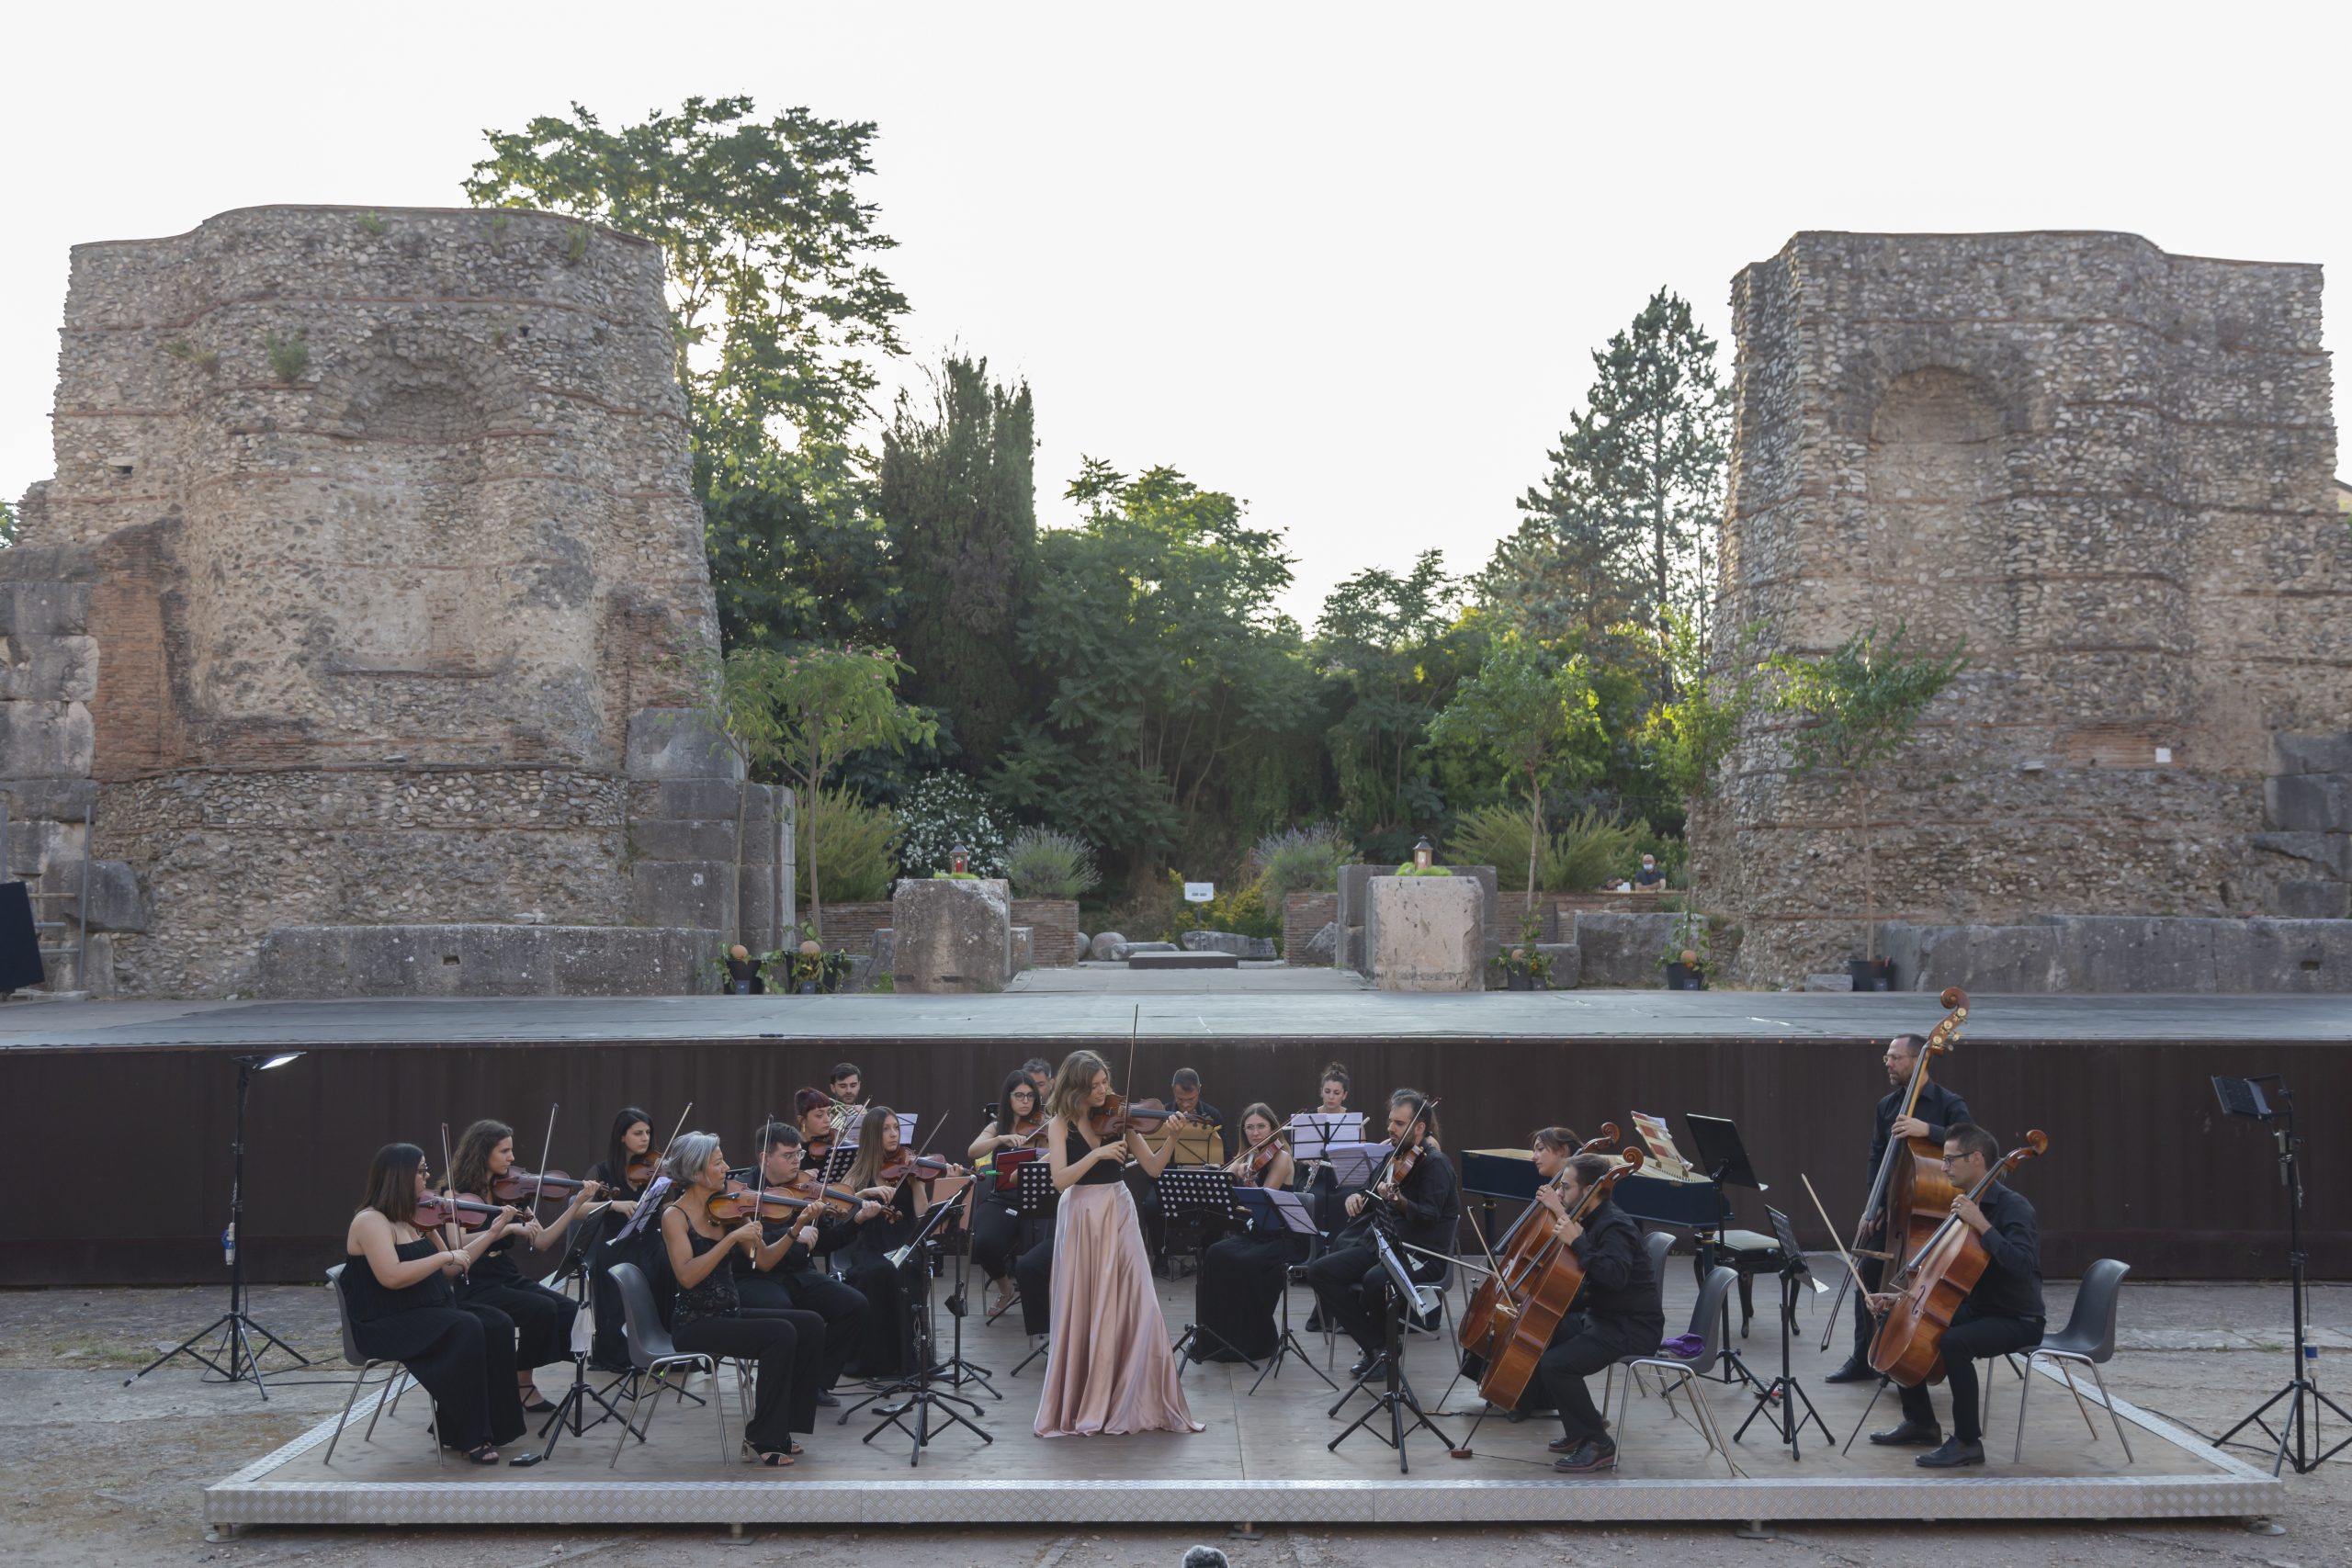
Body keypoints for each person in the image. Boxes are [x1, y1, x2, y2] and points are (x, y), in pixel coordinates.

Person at [1034, 1048, 1203, 1437]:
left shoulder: (1120, 1117)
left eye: (1104, 1083)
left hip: (1118, 1208)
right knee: (1087, 1305)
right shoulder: (1060, 1124)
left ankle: (1137, 1394)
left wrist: (1172, 1137)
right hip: (1080, 1215)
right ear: (1075, 1088)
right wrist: (1098, 1154)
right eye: (1093, 1087)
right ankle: (1089, 1398)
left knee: (1139, 1301)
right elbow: (1060, 1180)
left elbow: (1154, 1167)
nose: (1102, 1091)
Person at [340, 1143, 538, 1465]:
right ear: (399, 1176)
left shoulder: (416, 1216)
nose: (428, 1176)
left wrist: (494, 1231)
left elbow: (451, 1267)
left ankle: (496, 1426)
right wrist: (444, 1254)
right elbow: (391, 1276)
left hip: (425, 1309)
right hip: (385, 1321)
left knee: (497, 1322)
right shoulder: (371, 1221)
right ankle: (467, 1434)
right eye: (421, 1170)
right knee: (467, 1327)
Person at [1868, 1123, 2045, 1468]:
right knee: (1899, 1321)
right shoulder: (1964, 1204)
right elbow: (1943, 1275)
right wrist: (1899, 1300)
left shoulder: (2013, 1209)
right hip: (1979, 1308)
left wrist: (1982, 1225)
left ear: (1976, 1159)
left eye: (1950, 1160)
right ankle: (1920, 1422)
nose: (1944, 1167)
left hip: (2017, 1318)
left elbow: (2022, 1266)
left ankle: (1967, 1442)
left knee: (1955, 1343)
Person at [660, 1133, 827, 1465]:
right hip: (695, 1322)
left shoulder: (731, 1206)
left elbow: (763, 1261)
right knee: (780, 1333)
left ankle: (783, 1426)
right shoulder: (673, 1216)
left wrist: (796, 1228)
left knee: (811, 1324)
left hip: (728, 1311)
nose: (727, 1168)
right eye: (718, 1162)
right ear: (695, 1171)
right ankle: (762, 1435)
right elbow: (687, 1275)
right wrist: (732, 1238)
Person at [1827, 1032, 1973, 1382]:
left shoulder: (1949, 1103)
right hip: (1892, 1212)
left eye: (1895, 1058)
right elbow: (1876, 1157)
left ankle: (1907, 1354)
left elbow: (1971, 1141)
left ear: (1919, 1060)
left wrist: (1929, 1130)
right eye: (1887, 1059)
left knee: (1913, 1285)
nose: (1888, 1064)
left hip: (1932, 1216)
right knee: (1867, 1273)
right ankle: (1864, 1358)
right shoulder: (1887, 1106)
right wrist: (1873, 1206)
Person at [447, 1119, 603, 1413]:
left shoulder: (512, 1192)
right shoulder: (456, 1195)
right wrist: (504, 1229)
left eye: (511, 1151)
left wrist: (576, 1205)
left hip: (505, 1274)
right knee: (539, 1309)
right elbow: (457, 1244)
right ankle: (522, 1384)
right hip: (474, 1282)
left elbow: (542, 1240)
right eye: (504, 1151)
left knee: (567, 1309)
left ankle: (521, 1380)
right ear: (482, 1153)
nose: (512, 1158)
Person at [1301, 1089, 1457, 1381]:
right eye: (1390, 1121)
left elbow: (1429, 1217)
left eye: (1399, 1123)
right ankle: (1378, 1346)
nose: (1390, 1128)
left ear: (1420, 1128)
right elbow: (1371, 1192)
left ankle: (1382, 1352)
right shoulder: (1393, 1156)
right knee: (1320, 1271)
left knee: (1375, 1280)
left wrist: (1399, 1202)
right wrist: (1357, 1198)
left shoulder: (1436, 1165)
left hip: (1420, 1252)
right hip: (1383, 1245)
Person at [1532, 1151, 1664, 1474]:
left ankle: (1598, 1442)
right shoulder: (1592, 1220)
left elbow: (1613, 1277)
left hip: (1631, 1327)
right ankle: (1579, 1430)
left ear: (1590, 1190)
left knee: (1556, 1366)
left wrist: (1577, 1241)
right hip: (1606, 1316)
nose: (1559, 1195)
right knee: (1545, 1334)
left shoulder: (1614, 1225)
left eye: (1566, 1188)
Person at [732, 1120, 876, 1405]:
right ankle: (781, 1387)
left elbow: (824, 1242)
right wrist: (792, 1234)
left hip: (798, 1274)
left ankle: (815, 1383)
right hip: (755, 1277)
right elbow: (744, 1246)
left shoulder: (805, 1190)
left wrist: (857, 1221)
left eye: (799, 1153)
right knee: (786, 1312)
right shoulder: (743, 1192)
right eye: (788, 1155)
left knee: (854, 1305)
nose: (797, 1162)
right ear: (765, 1158)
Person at [836, 1105, 942, 1380]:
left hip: (905, 1243)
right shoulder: (858, 1172)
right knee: (877, 1272)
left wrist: (918, 1183)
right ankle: (878, 1360)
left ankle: (908, 1358)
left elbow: (921, 1216)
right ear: (873, 1134)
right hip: (870, 1245)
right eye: (886, 1129)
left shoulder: (910, 1167)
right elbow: (840, 1209)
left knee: (903, 1270)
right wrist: (864, 1193)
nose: (894, 1134)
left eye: (896, 1127)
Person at [1189, 1104, 1299, 1362]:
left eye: (1261, 1126)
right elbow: (1220, 1188)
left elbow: (1261, 1201)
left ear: (1272, 1128)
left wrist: (1246, 1180)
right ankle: (1218, 1339)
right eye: (1250, 1127)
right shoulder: (1248, 1155)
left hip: (1281, 1234)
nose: (1256, 1133)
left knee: (1242, 1262)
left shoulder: (1281, 1158)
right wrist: (1231, 1171)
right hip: (1255, 1235)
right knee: (1215, 1253)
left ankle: (1254, 1340)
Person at [970, 1071, 1049, 1312]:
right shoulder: (997, 1127)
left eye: (1030, 1096)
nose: (1026, 1101)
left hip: (1037, 1199)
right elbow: (973, 1151)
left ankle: (1040, 1300)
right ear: (1009, 1098)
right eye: (1019, 1096)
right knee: (983, 1242)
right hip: (1002, 1199)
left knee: (1038, 1249)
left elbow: (1058, 1155)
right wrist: (1000, 1139)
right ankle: (1005, 1288)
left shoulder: (1045, 1125)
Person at [582, 1106, 652, 1372]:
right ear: (622, 1137)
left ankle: (657, 1348)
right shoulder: (602, 1171)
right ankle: (619, 1353)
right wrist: (614, 1205)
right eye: (638, 1133)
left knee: (664, 1267)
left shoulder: (655, 1169)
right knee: (619, 1271)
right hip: (616, 1244)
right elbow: (576, 1209)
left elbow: (669, 1208)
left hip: (651, 1242)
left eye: (647, 1132)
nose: (645, 1138)